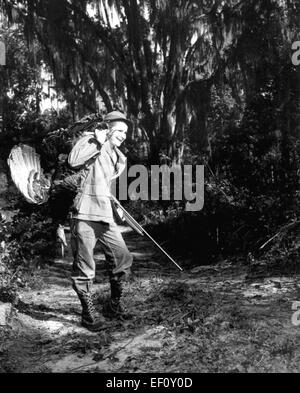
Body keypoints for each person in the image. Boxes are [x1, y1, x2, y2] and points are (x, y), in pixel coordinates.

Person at [68, 110, 133, 331]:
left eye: (126, 132)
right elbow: (74, 161)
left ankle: (114, 306)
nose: (124, 136)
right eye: (120, 131)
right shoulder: (90, 140)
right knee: (85, 268)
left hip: (105, 214)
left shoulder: (117, 155)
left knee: (122, 258)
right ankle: (88, 315)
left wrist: (116, 204)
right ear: (108, 127)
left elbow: (105, 185)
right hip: (84, 214)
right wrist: (97, 139)